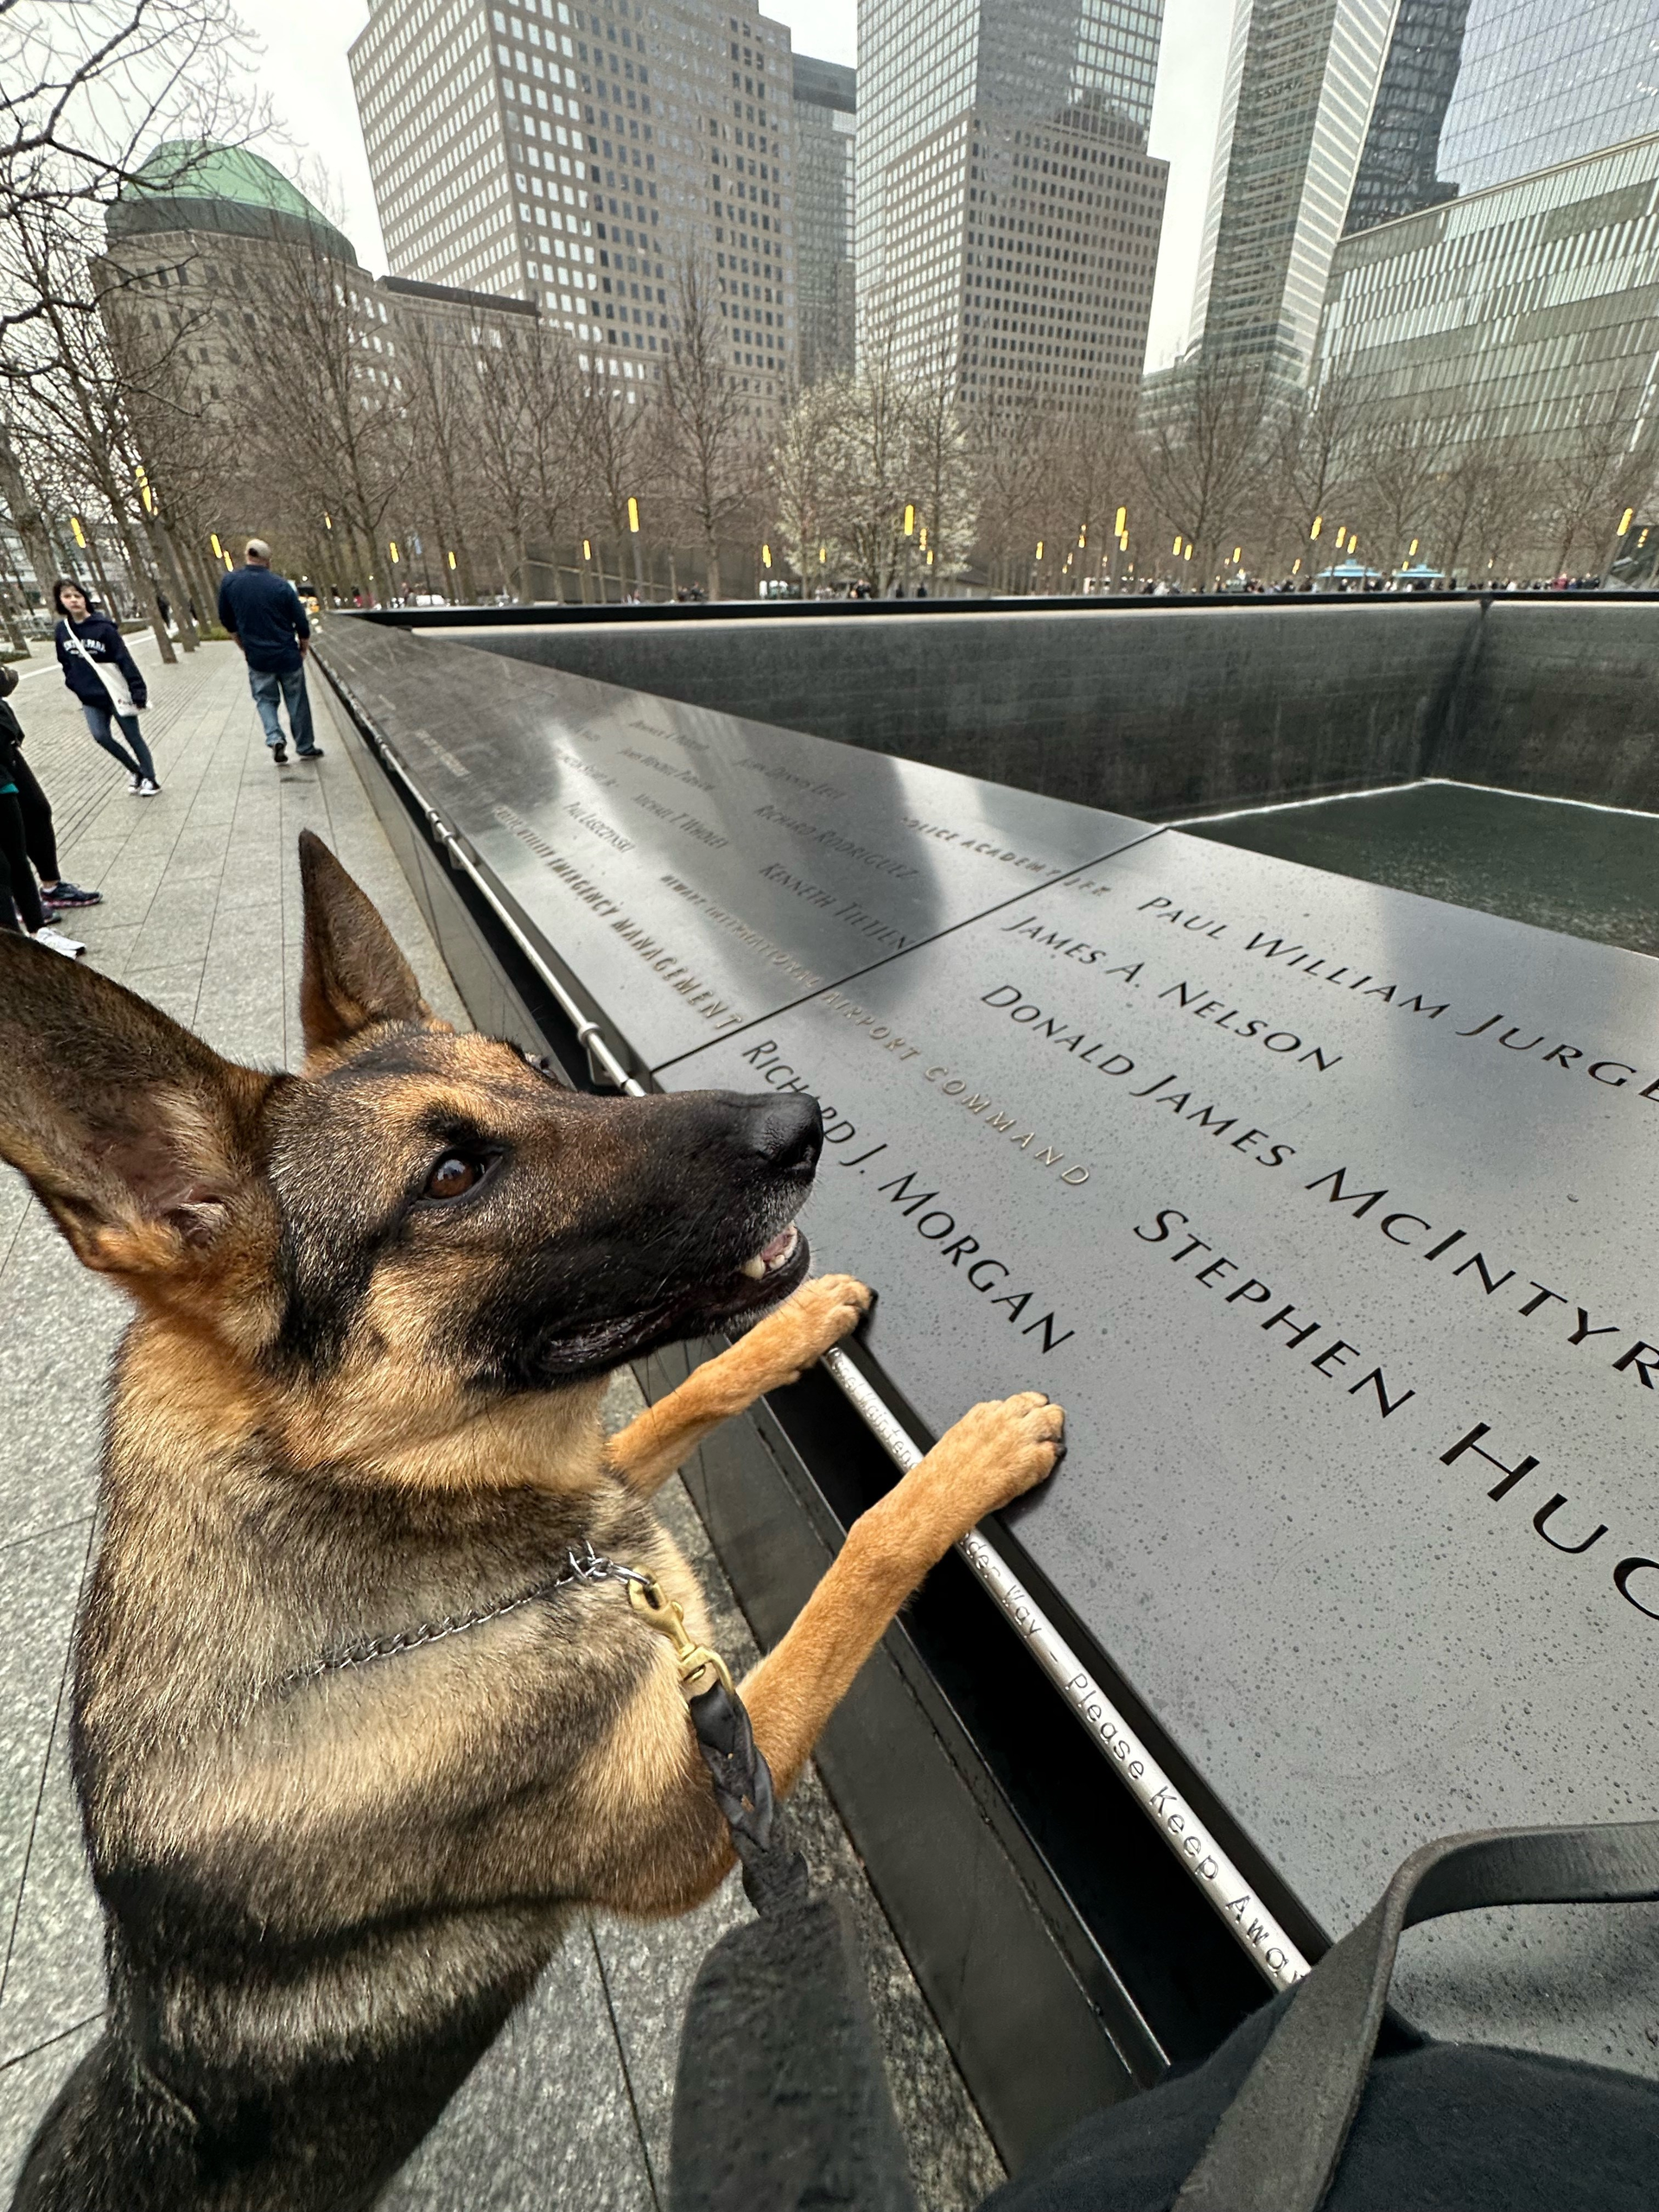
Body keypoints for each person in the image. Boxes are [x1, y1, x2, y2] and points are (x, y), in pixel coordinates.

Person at [0, 664, 100, 917]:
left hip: (4, 740)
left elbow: (6, 682)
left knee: (36, 809)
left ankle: (51, 887)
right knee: (6, 831)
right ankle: (16, 902)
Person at [217, 537, 324, 766]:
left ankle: (274, 736)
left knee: (264, 699)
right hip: (287, 654)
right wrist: (303, 647)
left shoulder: (230, 583)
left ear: (247, 555)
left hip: (258, 657)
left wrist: (243, 646)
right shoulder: (281, 585)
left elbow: (227, 621)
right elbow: (301, 622)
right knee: (297, 701)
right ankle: (305, 746)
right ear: (268, 561)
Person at [52, 579, 161, 795]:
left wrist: (138, 690)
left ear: (85, 599)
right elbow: (64, 661)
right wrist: (73, 682)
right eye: (67, 596)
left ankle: (151, 779)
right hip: (90, 697)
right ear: (60, 602)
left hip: (115, 692)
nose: (73, 600)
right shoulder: (62, 630)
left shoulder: (104, 629)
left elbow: (124, 660)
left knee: (133, 737)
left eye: (77, 595)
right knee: (100, 735)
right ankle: (136, 771)